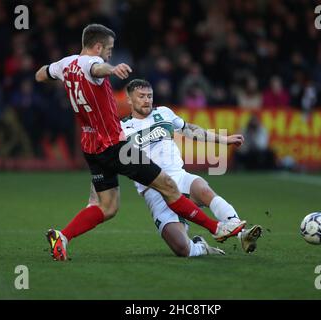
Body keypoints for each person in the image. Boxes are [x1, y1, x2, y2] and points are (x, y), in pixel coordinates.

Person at [35, 24, 246, 261]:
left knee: (107, 207)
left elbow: (41, 73)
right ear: (97, 47)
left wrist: (51, 75)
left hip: (91, 147)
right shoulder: (89, 63)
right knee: (167, 185)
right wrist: (112, 69)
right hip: (114, 145)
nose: (110, 53)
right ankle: (216, 228)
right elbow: (96, 68)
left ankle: (62, 236)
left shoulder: (65, 64)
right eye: (109, 49)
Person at [88, 79, 263, 257]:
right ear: (130, 100)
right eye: (141, 96)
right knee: (181, 249)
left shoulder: (164, 113)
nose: (147, 100)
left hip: (179, 176)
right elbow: (108, 163)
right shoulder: (121, 129)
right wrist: (95, 194)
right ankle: (201, 247)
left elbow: (190, 130)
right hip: (154, 191)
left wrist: (223, 140)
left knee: (203, 189)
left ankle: (242, 233)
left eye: (149, 96)